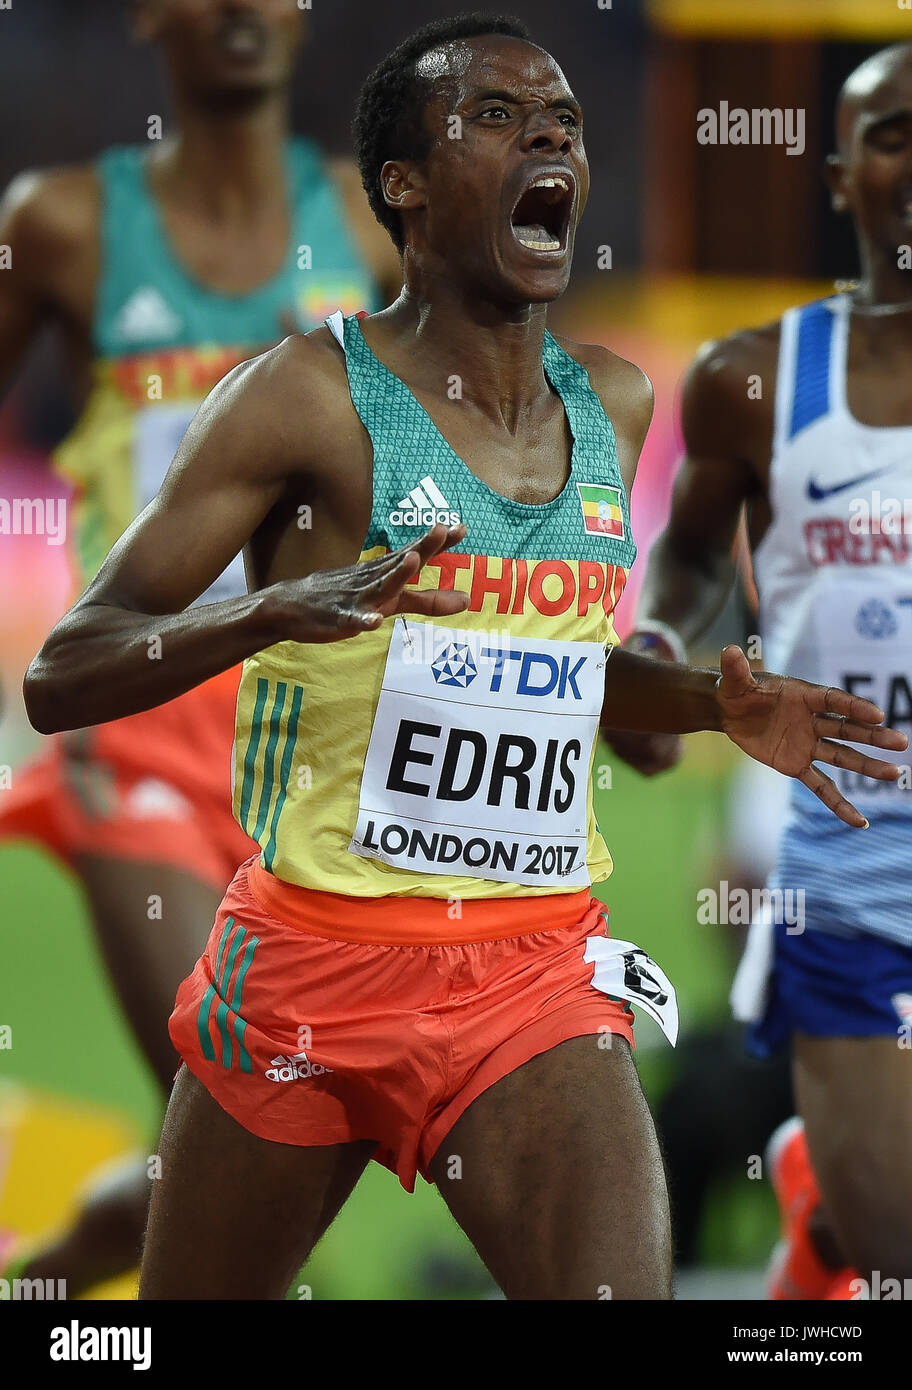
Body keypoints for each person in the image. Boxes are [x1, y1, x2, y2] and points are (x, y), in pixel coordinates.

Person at [25, 13, 905, 1302]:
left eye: (563, 120)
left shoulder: (613, 403)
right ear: (406, 186)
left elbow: (560, 674)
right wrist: (266, 612)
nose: (549, 132)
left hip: (533, 965)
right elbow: (65, 668)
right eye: (494, 116)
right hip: (311, 964)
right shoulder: (303, 396)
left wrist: (717, 705)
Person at [0, 0, 398, 1295]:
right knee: (233, 1105)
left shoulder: (365, 218)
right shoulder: (59, 223)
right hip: (143, 723)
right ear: (146, 16)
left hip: (323, 739)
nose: (242, 11)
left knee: (243, 1159)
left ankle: (50, 1277)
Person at [605, 43, 912, 1295]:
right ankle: (839, 1214)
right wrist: (664, 658)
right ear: (840, 176)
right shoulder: (757, 382)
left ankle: (824, 1212)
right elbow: (683, 567)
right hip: (852, 865)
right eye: (892, 132)